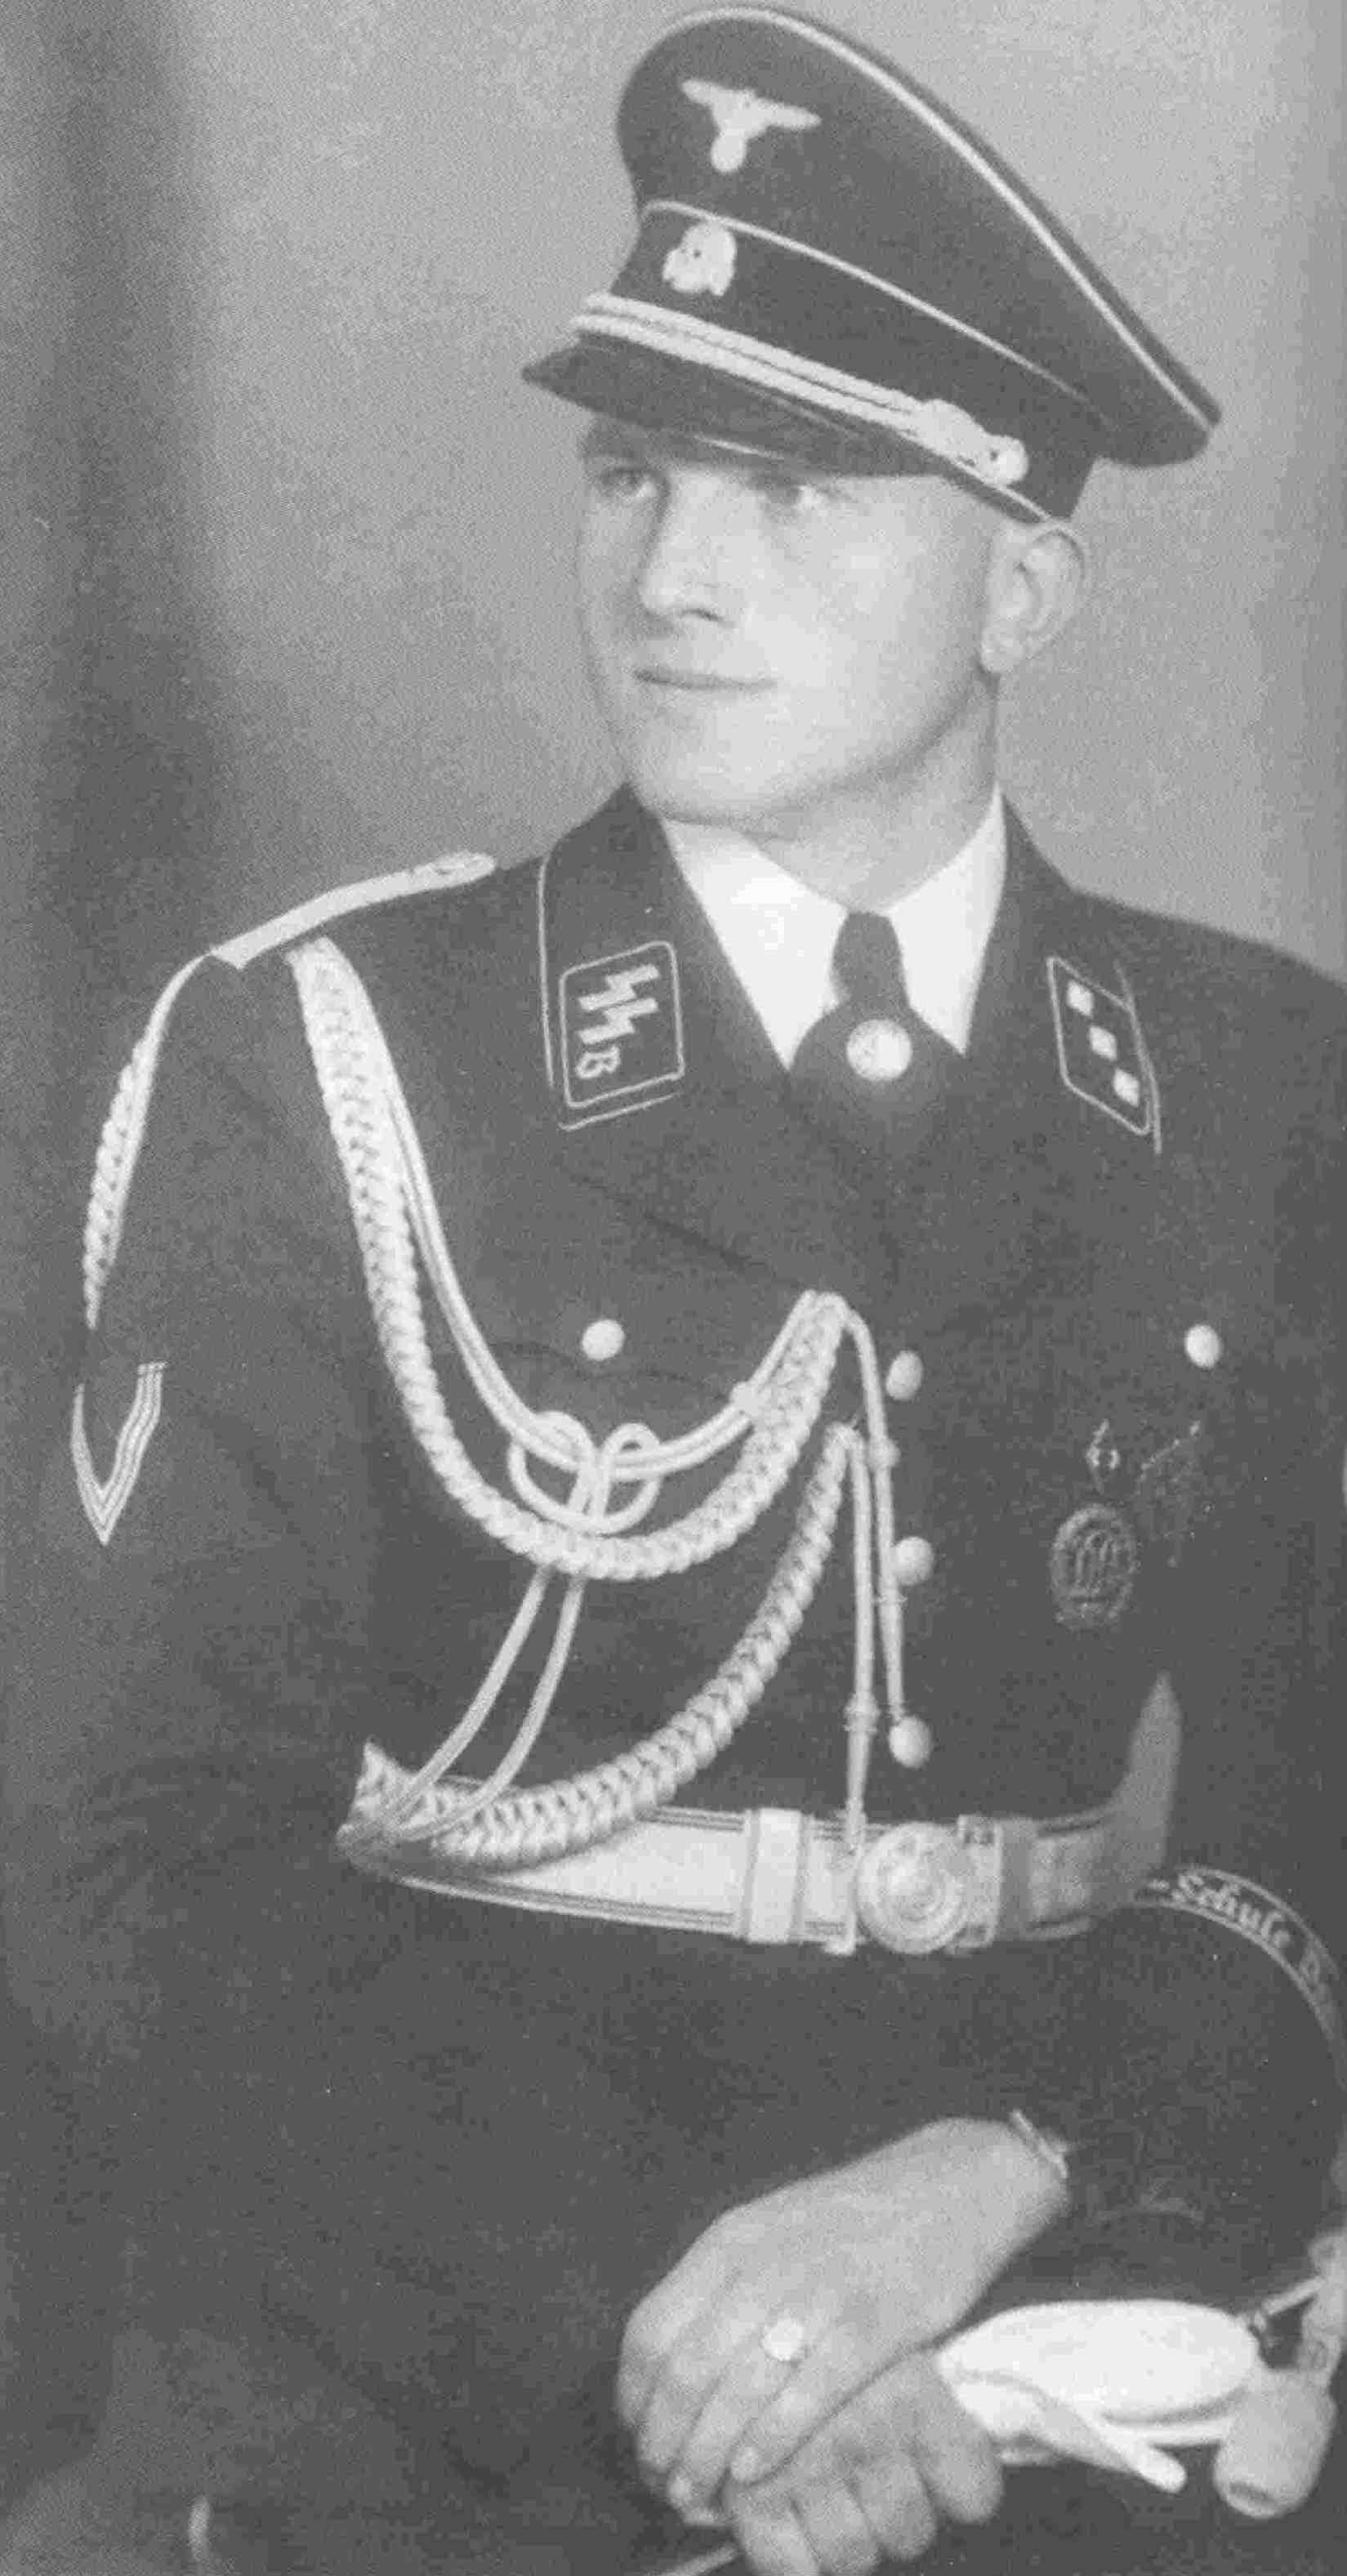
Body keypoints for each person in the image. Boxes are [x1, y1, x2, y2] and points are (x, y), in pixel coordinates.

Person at [3, 9, 1345, 2573]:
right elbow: (121, 1861)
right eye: (631, 469)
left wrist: (1001, 2166)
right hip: (425, 2383)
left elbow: (1309, 1809)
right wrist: (700, 2344)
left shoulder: (1265, 1085)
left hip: (1035, 2330)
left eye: (795, 488)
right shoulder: (328, 1058)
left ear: (1022, 582)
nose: (670, 579)